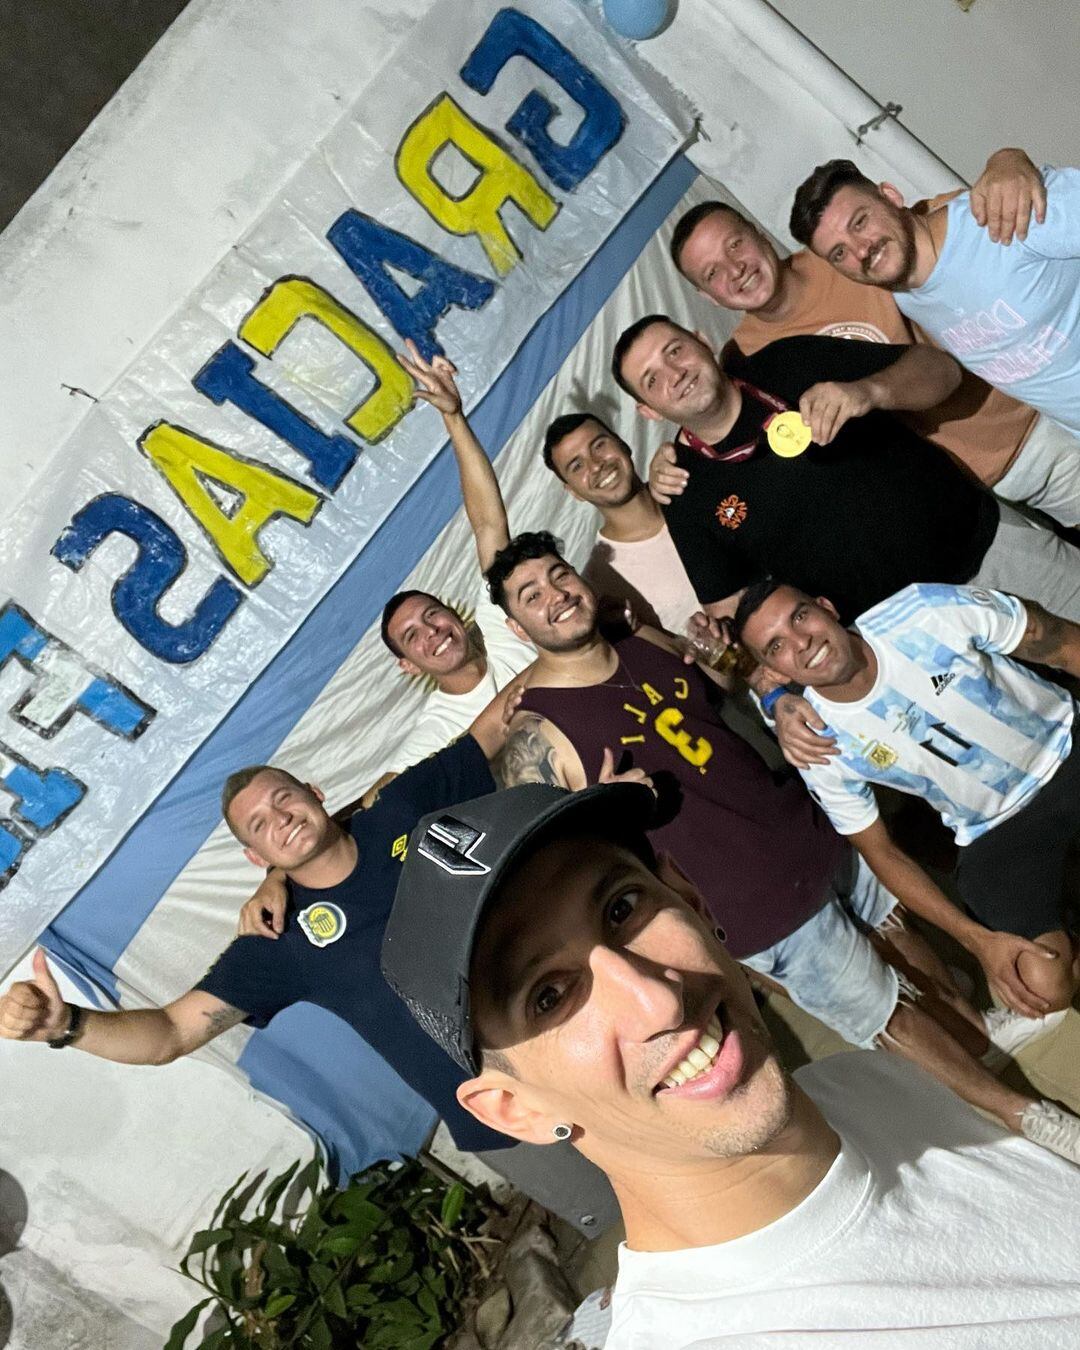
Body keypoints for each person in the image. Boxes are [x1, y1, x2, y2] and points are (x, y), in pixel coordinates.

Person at [383, 780, 1080, 1347]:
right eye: (549, 996)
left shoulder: (861, 1081)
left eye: (622, 909)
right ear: (518, 1111)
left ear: (689, 899)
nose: (658, 1000)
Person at [476, 529, 1070, 1135]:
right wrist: (611, 809)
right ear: (518, 629)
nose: (555, 594)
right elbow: (560, 863)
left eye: (559, 575)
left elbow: (722, 690)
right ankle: (1022, 1115)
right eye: (531, 595)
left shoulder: (638, 639)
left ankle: (980, 1036)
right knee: (883, 1013)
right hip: (746, 900)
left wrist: (750, 679)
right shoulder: (537, 734)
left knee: (903, 936)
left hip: (801, 824)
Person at [0, 706, 622, 1233]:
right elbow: (170, 1032)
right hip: (505, 1117)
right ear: (255, 856)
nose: (282, 819)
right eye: (260, 825)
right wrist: (68, 1025)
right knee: (630, 1242)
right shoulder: (278, 939)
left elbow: (494, 726)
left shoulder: (400, 809)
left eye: (285, 799)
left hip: (584, 1042)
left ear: (316, 794)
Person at [666, 155, 1080, 528]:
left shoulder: (852, 253)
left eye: (735, 245)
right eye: (712, 273)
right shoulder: (743, 360)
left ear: (757, 233)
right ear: (707, 296)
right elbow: (716, 422)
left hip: (1031, 434)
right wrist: (670, 460)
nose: (735, 269)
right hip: (952, 504)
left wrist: (1005, 162)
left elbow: (952, 221)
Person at [734, 577, 1080, 1021]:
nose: (802, 642)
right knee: (1039, 985)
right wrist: (977, 941)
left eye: (800, 616)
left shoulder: (921, 612)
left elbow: (1060, 642)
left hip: (1066, 747)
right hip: (992, 830)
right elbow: (880, 852)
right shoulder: (815, 740)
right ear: (776, 673)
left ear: (827, 607)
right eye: (777, 646)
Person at [610, 316, 1080, 639]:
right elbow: (729, 604)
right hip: (910, 639)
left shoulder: (789, 362)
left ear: (701, 340)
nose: (674, 374)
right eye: (652, 379)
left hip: (994, 552)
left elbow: (940, 371)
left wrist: (870, 390)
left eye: (675, 351)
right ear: (648, 410)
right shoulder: (681, 487)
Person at [791, 157, 1080, 463]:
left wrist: (1008, 159)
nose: (861, 250)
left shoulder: (997, 211)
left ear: (891, 195)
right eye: (839, 253)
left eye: (860, 222)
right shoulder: (909, 299)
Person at [541, 412, 700, 633]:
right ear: (572, 491)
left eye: (598, 446)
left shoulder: (689, 484)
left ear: (622, 444)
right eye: (577, 466)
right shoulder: (600, 583)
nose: (596, 465)